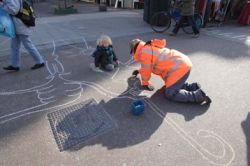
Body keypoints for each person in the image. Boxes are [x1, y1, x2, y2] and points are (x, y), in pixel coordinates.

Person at [130, 38, 211, 104]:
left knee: (170, 93)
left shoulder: (144, 53)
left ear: (134, 50)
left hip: (179, 68)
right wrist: (139, 71)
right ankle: (193, 87)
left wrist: (145, 83)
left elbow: (146, 70)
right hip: (183, 62)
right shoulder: (149, 47)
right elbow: (147, 66)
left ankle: (198, 96)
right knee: (174, 84)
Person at [1, 0, 45, 71]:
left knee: (27, 44)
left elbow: (13, 10)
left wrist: (3, 6)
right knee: (14, 46)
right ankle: (15, 65)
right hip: (17, 25)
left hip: (20, 25)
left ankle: (40, 61)